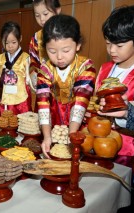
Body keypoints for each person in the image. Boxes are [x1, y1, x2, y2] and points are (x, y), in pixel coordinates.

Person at [95, 4, 134, 168]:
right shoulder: (105, 68)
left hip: (126, 150)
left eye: (119, 45)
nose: (111, 50)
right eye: (108, 43)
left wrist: (125, 113)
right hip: (97, 143)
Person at [36, 14, 96, 157]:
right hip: (53, 120)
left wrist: (72, 135)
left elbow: (80, 102)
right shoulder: (44, 70)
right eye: (52, 51)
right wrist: (47, 136)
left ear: (78, 45)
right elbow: (43, 103)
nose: (59, 57)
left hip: (79, 122)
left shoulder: (85, 67)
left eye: (66, 50)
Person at [0, 21, 33, 115]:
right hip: (4, 98)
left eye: (13, 42)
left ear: (20, 39)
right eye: (6, 43)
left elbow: (29, 80)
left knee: (23, 124)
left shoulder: (26, 58)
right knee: (5, 123)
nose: (10, 46)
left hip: (22, 99)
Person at [29, 0, 61, 93]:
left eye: (45, 14)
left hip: (64, 88)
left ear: (57, 10)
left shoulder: (67, 33)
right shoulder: (36, 38)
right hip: (44, 89)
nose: (42, 19)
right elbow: (33, 64)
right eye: (37, 15)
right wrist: (34, 76)